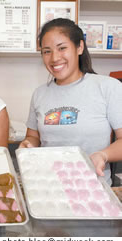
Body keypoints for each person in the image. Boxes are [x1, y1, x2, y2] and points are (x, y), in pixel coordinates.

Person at [19, 18, 122, 185]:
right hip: (49, 187)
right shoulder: (40, 93)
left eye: (62, 48)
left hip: (93, 191)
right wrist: (28, 144)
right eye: (47, 51)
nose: (54, 58)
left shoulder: (108, 87)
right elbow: (33, 136)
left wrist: (103, 155)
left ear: (79, 47)